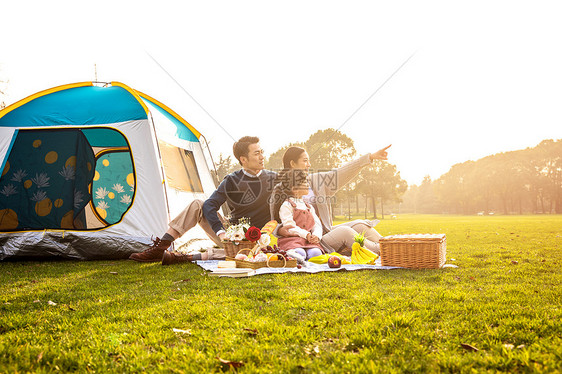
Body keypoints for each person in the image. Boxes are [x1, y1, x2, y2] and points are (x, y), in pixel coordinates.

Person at [129, 136, 276, 264]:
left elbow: (291, 199)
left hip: (263, 239)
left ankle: (186, 257)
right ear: (243, 159)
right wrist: (220, 231)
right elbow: (210, 205)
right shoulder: (232, 180)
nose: (262, 156)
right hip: (232, 236)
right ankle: (160, 247)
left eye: (261, 152)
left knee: (248, 253)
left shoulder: (274, 179)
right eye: (257, 153)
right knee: (198, 204)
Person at [270, 145, 391, 255]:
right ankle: (383, 251)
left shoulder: (317, 181)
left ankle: (392, 244)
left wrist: (370, 157)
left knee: (360, 225)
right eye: (305, 160)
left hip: (323, 233)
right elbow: (272, 222)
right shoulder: (280, 189)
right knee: (345, 232)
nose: (309, 165)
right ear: (293, 163)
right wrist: (280, 230)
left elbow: (341, 172)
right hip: (305, 241)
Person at [273, 169, 324, 260]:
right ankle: (291, 253)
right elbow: (290, 227)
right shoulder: (287, 205)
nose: (308, 184)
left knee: (316, 253)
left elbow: (317, 224)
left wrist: (316, 235)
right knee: (300, 253)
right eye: (305, 182)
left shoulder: (308, 206)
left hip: (308, 241)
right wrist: (306, 234)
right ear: (295, 189)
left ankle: (304, 257)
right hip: (292, 240)